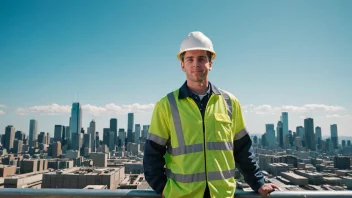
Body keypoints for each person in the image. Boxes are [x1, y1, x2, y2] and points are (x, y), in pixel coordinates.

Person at [143, 31, 279, 198]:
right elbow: (152, 154)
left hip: (222, 195)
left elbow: (242, 149)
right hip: (182, 195)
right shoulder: (166, 105)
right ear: (182, 65)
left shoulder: (230, 102)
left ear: (210, 63)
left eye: (201, 59)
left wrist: (258, 182)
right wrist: (163, 189)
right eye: (190, 59)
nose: (196, 64)